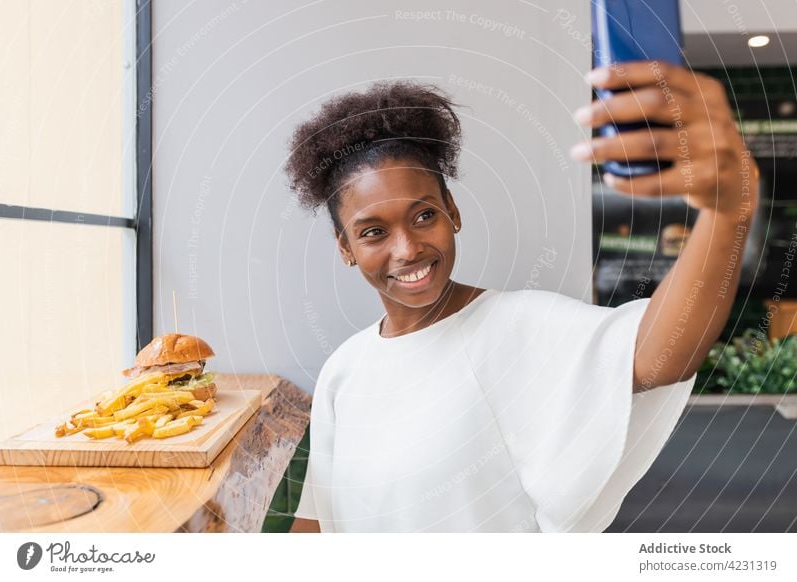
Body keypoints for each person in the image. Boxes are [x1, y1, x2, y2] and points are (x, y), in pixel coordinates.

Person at [285, 62, 759, 533]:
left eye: (424, 216)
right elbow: (318, 524)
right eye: (373, 232)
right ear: (346, 247)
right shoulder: (342, 372)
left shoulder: (517, 325)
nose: (407, 248)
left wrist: (729, 210)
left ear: (453, 211)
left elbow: (660, 355)